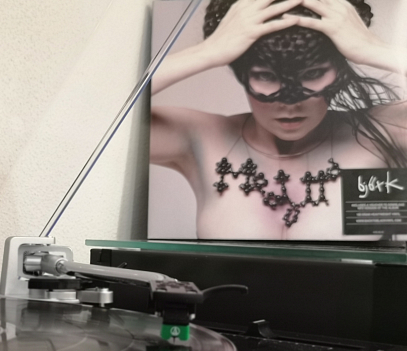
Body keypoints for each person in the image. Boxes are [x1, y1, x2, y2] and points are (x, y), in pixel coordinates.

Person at [150, 0, 407, 240]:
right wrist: (207, 51)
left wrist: (373, 49)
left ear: (338, 71)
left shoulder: (382, 132)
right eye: (266, 76)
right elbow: (122, 109)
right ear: (242, 73)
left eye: (312, 74)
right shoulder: (201, 137)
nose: (290, 103)